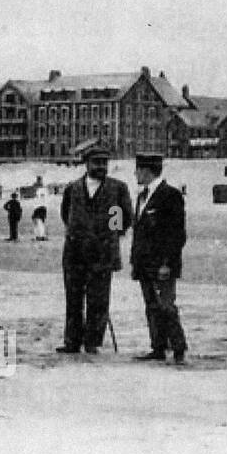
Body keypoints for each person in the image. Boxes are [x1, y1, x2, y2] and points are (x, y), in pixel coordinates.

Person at [57, 143, 133, 354]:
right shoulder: (72, 189)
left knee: (98, 301)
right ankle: (72, 341)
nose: (101, 167)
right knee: (73, 300)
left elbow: (124, 218)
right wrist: (80, 234)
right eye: (96, 163)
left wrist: (107, 236)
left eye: (104, 163)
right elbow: (66, 215)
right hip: (74, 254)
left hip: (102, 254)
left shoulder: (118, 189)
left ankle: (93, 342)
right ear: (86, 164)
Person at [130, 153, 188, 365]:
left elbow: (176, 235)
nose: (135, 173)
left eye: (138, 170)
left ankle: (179, 347)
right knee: (152, 307)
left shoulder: (170, 195)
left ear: (147, 171)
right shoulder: (141, 196)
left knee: (166, 306)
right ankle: (158, 347)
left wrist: (167, 263)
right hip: (144, 264)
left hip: (162, 264)